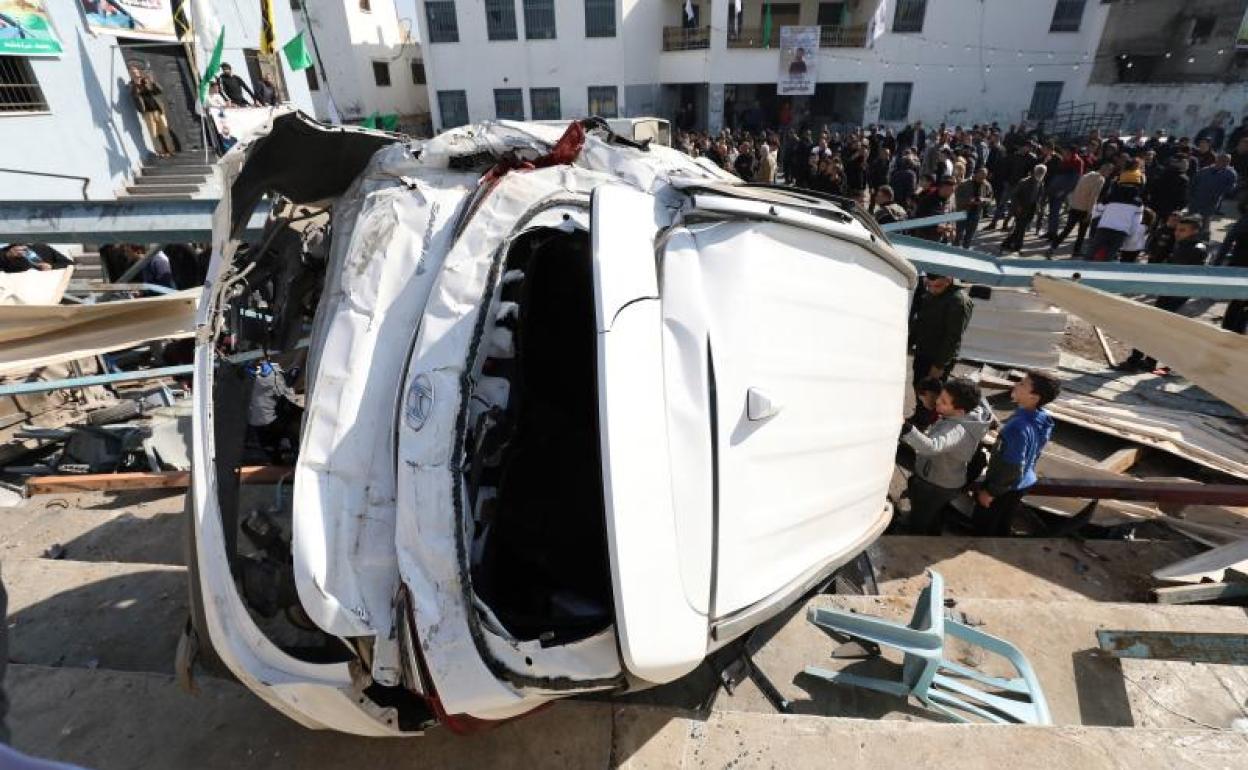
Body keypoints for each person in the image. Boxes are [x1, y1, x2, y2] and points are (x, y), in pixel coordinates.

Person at [900, 378, 993, 535]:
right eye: (940, 396)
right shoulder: (967, 414)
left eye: (943, 401)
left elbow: (932, 446)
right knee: (933, 513)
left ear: (960, 411)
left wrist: (906, 428)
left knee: (920, 517)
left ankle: (914, 540)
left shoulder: (957, 430)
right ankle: (932, 531)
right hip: (947, 479)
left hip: (937, 484)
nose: (937, 401)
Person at [972, 370, 1060, 537]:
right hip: (1024, 481)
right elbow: (1033, 451)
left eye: (1022, 384)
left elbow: (1011, 467)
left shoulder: (1017, 427)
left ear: (1034, 397)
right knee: (1003, 522)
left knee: (984, 527)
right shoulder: (1042, 418)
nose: (1015, 385)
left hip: (1004, 487)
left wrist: (990, 492)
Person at [1118, 216, 1208, 372]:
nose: (1177, 233)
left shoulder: (1195, 249)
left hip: (1176, 293)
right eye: (1177, 229)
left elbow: (1180, 273)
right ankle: (1147, 361)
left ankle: (1137, 360)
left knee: (1153, 325)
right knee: (1157, 326)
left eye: (1182, 230)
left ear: (1194, 231)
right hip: (1170, 291)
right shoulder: (1184, 245)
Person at [909, 272, 972, 386]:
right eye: (929, 286)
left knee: (931, 395)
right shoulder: (931, 294)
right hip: (923, 352)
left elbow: (953, 337)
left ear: (948, 280)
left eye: (937, 286)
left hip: (937, 357)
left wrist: (939, 366)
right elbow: (920, 321)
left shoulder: (958, 300)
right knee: (919, 387)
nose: (932, 290)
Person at [1087, 161, 1144, 262]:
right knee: (1109, 257)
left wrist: (1096, 222)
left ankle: (1081, 271)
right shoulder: (1138, 203)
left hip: (1103, 228)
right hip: (1121, 232)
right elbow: (1136, 223)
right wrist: (1130, 235)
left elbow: (1097, 210)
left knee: (1091, 254)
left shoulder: (1110, 197)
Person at [1048, 161, 1108, 257]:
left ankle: (1053, 246)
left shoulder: (1086, 175)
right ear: (1106, 171)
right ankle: (1076, 251)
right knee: (1081, 233)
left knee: (1067, 229)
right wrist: (1090, 213)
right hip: (1084, 209)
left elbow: (1076, 190)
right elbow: (1094, 197)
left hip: (1075, 206)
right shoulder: (1100, 179)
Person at [1187, 153, 1238, 237]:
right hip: (1196, 199)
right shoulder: (1204, 170)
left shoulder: (1230, 174)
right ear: (1216, 160)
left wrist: (1219, 191)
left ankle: (1203, 239)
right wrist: (1190, 197)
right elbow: (1193, 183)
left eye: (1226, 161)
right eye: (1221, 160)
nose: (1223, 162)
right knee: (1190, 221)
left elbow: (1231, 187)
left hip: (1211, 202)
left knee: (1205, 222)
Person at [1000, 164, 1046, 254]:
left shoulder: (1040, 183)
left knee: (1020, 228)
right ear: (1035, 171)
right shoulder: (1025, 182)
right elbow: (1014, 195)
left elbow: (1039, 196)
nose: (1041, 174)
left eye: (1042, 172)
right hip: (1021, 208)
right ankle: (1018, 246)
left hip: (1031, 208)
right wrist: (1018, 206)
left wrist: (1039, 207)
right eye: (1039, 172)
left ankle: (1006, 243)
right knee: (1021, 228)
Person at [129, 68, 175, 157]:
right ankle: (160, 152)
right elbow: (135, 99)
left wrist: (152, 82)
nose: (135, 74)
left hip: (158, 110)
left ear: (139, 72)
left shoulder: (146, 81)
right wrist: (135, 86)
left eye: (136, 72)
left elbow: (159, 91)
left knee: (165, 131)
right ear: (130, 75)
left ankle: (171, 150)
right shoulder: (132, 86)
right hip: (147, 113)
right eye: (132, 73)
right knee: (154, 134)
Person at [1218, 199, 1248, 333]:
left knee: (1238, 304)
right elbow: (1228, 241)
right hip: (1242, 267)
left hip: (1240, 266)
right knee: (1238, 304)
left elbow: (1228, 241)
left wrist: (1218, 263)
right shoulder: (1245, 221)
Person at [953, 167, 993, 248]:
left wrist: (983, 201)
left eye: (984, 177)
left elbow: (990, 198)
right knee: (958, 235)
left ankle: (965, 251)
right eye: (980, 176)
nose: (981, 179)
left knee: (969, 236)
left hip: (976, 214)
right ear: (976, 174)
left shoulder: (987, 185)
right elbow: (956, 198)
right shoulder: (964, 184)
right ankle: (954, 250)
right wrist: (969, 201)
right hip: (963, 212)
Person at [911, 176, 956, 242]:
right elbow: (919, 220)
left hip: (941, 240)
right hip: (924, 239)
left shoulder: (951, 199)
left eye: (952, 190)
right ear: (940, 188)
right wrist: (935, 227)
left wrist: (952, 228)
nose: (950, 193)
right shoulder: (927, 200)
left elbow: (952, 215)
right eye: (947, 190)